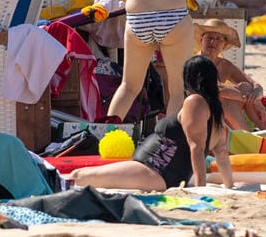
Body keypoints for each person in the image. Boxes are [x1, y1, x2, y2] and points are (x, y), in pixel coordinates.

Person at [70, 56, 233, 192]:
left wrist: (200, 189)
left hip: (155, 170)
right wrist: (229, 186)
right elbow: (221, 153)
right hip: (157, 171)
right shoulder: (216, 110)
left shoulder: (195, 101)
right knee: (81, 177)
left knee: (79, 176)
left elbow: (196, 147)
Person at [193, 19, 266, 129]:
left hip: (217, 112)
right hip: (197, 110)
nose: (213, 42)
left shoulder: (224, 64)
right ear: (201, 41)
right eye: (209, 38)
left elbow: (252, 84)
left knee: (246, 87)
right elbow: (214, 89)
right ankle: (246, 135)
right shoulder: (196, 62)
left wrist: (256, 96)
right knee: (224, 101)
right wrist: (244, 97)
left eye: (218, 39)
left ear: (224, 46)